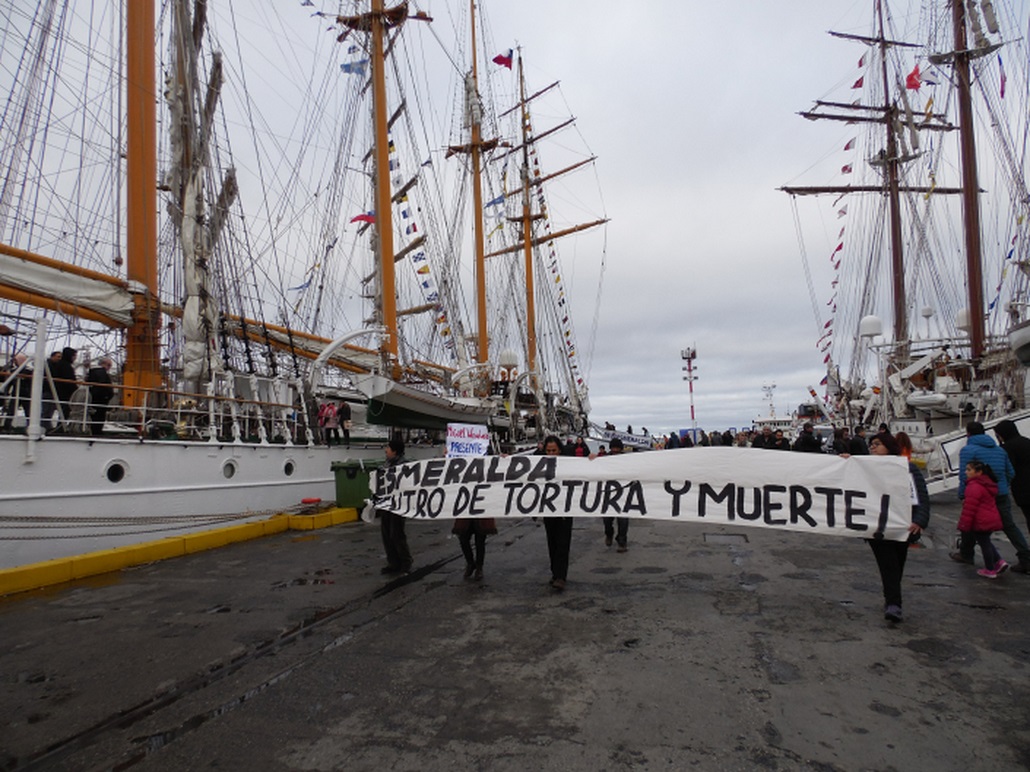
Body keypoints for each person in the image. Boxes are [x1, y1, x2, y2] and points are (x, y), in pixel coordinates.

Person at [867, 433, 930, 623]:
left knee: (897, 563)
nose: (873, 447)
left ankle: (892, 597)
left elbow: (921, 495)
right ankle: (894, 604)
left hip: (903, 524)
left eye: (877, 444)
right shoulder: (865, 467)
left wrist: (920, 520)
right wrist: (846, 461)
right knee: (888, 564)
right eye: (871, 445)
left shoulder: (907, 467)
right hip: (877, 526)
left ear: (888, 446)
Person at [954, 421, 1030, 571]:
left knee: (971, 522)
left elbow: (965, 476)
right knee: (1009, 526)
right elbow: (1011, 473)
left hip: (978, 493)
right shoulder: (999, 450)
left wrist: (963, 494)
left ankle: (967, 554)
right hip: (1000, 493)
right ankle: (1025, 555)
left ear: (968, 434)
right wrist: (1001, 485)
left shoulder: (968, 450)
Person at [957, 460, 1007, 578]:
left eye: (969, 470)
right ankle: (999, 561)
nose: (966, 472)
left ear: (978, 472)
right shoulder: (987, 484)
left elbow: (969, 508)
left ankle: (990, 569)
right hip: (990, 517)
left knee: (984, 543)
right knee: (986, 541)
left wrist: (964, 525)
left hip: (980, 519)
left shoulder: (974, 486)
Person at [994, 419, 1030, 573]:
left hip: (1024, 490)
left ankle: (1026, 561)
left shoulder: (1008, 447)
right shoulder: (1027, 442)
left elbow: (1010, 469)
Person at [541, 435, 573, 590]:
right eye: (548, 451)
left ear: (560, 450)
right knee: (552, 542)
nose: (551, 453)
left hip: (565, 508)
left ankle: (561, 576)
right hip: (548, 509)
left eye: (554, 450)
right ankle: (555, 573)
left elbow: (586, 469)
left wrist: (592, 459)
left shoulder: (569, 463)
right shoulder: (538, 462)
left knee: (563, 543)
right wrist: (505, 459)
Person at [378, 437, 412, 575]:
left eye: (388, 448)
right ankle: (393, 562)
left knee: (396, 534)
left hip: (398, 504)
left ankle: (405, 562)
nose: (386, 451)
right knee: (386, 534)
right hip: (386, 504)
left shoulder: (404, 466)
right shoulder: (387, 464)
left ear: (395, 451)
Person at [600, 437, 629, 552]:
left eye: (617, 448)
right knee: (607, 520)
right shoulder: (605, 459)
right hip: (608, 494)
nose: (615, 450)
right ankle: (609, 533)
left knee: (623, 521)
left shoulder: (627, 459)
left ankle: (622, 542)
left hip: (623, 493)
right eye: (613, 447)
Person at [452, 514, 496, 581]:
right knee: (463, 539)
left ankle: (479, 567)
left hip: (481, 516)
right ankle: (470, 563)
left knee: (480, 542)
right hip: (466, 516)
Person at [85, 357, 115, 436]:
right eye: (109, 365)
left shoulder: (93, 372)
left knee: (94, 416)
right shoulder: (101, 373)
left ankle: (93, 431)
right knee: (99, 417)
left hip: (94, 398)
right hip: (100, 400)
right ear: (105, 364)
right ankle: (97, 432)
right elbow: (103, 386)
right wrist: (107, 396)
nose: (109, 367)